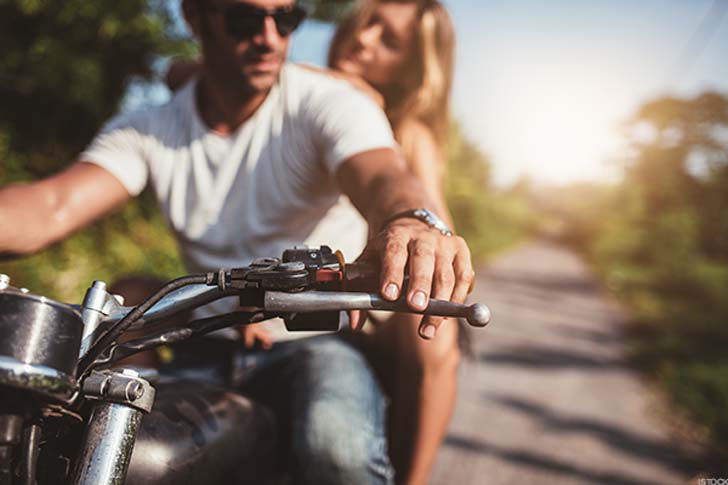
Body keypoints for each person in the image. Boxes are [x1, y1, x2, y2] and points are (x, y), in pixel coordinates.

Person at [0, 0, 475, 483]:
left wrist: (411, 221)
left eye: (285, 19)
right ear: (194, 17)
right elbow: (51, 205)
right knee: (104, 447)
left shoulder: (332, 102)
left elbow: (383, 178)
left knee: (338, 449)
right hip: (202, 338)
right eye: (244, 20)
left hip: (313, 342)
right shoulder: (150, 127)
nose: (268, 38)